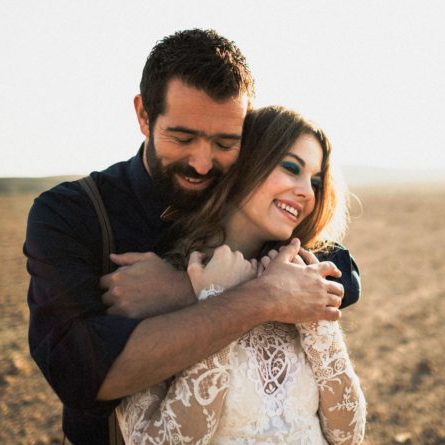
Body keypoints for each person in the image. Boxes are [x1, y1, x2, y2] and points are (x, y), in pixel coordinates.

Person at [25, 30, 361, 445]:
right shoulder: (73, 213)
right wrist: (263, 295)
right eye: (182, 138)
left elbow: (343, 273)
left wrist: (189, 290)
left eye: (225, 143)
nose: (203, 163)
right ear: (144, 115)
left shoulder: (248, 203)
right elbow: (81, 374)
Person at [116, 105, 366, 444]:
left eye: (316, 181)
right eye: (291, 168)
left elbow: (348, 436)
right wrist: (216, 302)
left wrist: (313, 320)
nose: (307, 192)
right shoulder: (158, 285)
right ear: (245, 163)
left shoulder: (303, 277)